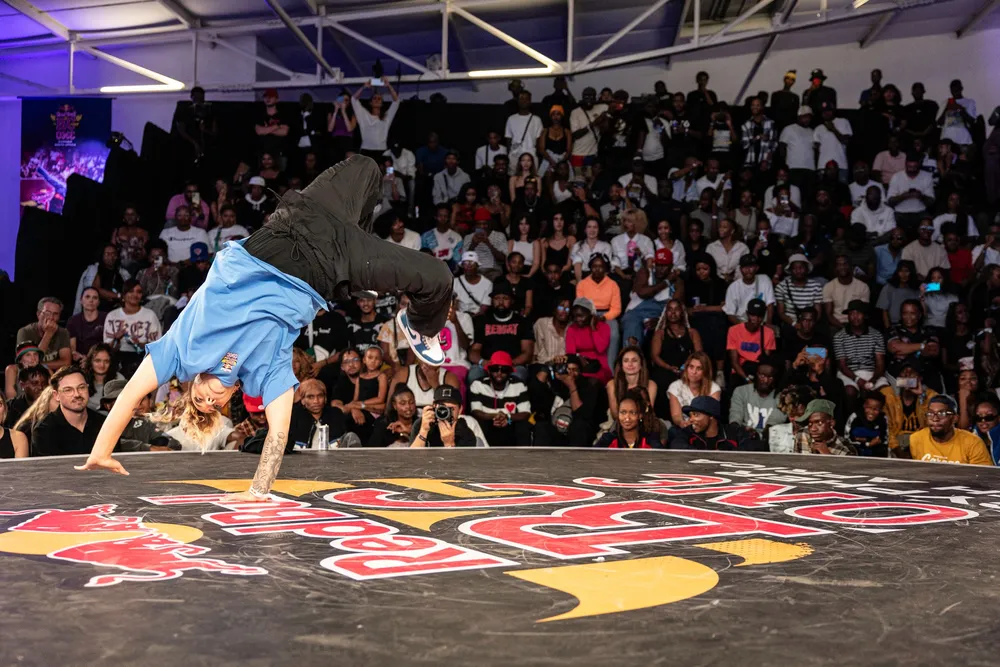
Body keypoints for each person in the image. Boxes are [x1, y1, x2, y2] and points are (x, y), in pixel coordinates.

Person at [77, 156, 453, 502]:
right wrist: (258, 490)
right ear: (231, 399)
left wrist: (101, 451)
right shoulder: (265, 372)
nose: (210, 398)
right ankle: (418, 321)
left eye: (201, 398)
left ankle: (362, 235)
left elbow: (128, 396)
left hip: (297, 223)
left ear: (192, 384)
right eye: (214, 404)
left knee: (368, 167)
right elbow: (277, 435)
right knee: (438, 277)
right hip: (330, 265)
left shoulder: (182, 349)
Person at [32, 366, 105, 457]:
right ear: (56, 395)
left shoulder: (104, 424)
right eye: (68, 390)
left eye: (81, 388)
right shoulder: (44, 431)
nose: (77, 394)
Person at [469, 352, 532, 447]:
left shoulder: (519, 385)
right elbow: (476, 412)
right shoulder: (478, 384)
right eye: (495, 369)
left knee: (523, 426)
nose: (499, 373)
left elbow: (526, 413)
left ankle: (522, 458)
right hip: (487, 423)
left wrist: (507, 417)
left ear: (509, 372)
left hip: (510, 423)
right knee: (478, 422)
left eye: (504, 370)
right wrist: (496, 416)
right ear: (489, 371)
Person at [622, 247, 680, 347]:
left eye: (664, 265)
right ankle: (631, 359)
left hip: (660, 317)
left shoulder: (677, 282)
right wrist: (665, 283)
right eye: (658, 265)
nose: (660, 269)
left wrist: (660, 320)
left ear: (671, 266)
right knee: (632, 335)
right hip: (636, 314)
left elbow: (678, 308)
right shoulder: (645, 272)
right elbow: (643, 293)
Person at [909, 395, 992, 464]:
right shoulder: (916, 439)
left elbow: (983, 477)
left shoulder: (973, 443)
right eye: (930, 413)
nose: (935, 418)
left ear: (955, 418)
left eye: (942, 413)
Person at [833, 300, 888, 404]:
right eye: (851, 313)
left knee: (886, 391)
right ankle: (852, 418)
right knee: (850, 392)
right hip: (849, 373)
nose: (855, 316)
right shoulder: (839, 336)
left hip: (872, 372)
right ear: (848, 317)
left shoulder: (876, 335)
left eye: (858, 313)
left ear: (865, 316)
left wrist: (872, 380)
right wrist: (858, 380)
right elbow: (842, 366)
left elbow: (880, 364)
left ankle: (884, 420)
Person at [880, 361, 937, 454]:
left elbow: (933, 423)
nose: (907, 375)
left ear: (919, 378)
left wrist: (921, 396)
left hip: (922, 441)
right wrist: (896, 448)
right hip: (896, 441)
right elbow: (886, 426)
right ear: (898, 379)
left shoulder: (930, 396)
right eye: (904, 373)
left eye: (912, 373)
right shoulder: (887, 395)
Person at [669, 396, 761, 451]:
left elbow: (752, 448)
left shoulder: (733, 432)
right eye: (690, 415)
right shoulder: (688, 432)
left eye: (696, 415)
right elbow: (676, 445)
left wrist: (722, 457)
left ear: (711, 416)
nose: (691, 419)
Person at [410, 384, 480, 448]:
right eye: (442, 407)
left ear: (460, 409)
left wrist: (449, 443)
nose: (445, 412)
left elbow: (460, 462)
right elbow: (412, 459)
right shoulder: (421, 425)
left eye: (451, 409)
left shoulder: (466, 434)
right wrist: (423, 431)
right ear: (434, 406)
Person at [729, 357, 785, 434]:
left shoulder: (782, 397)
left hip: (769, 439)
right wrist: (737, 431)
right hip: (743, 437)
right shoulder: (741, 391)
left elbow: (775, 422)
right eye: (762, 376)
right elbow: (735, 415)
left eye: (770, 377)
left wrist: (760, 436)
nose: (765, 380)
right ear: (756, 374)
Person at [727, 298, 776, 385]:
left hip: (758, 370)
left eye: (759, 316)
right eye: (753, 315)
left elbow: (766, 361)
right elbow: (734, 362)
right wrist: (747, 379)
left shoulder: (768, 333)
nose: (756, 319)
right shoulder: (734, 330)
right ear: (747, 314)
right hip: (740, 371)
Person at [667, 352, 721, 428]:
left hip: (705, 427)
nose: (694, 372)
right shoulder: (675, 386)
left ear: (705, 371)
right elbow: (676, 415)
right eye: (691, 367)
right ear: (686, 368)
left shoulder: (714, 388)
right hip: (684, 427)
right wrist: (683, 423)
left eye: (699, 368)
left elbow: (710, 415)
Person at [565, 297, 612, 384]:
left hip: (599, 366)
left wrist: (593, 329)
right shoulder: (572, 329)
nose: (577, 319)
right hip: (579, 366)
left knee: (592, 382)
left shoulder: (603, 327)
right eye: (575, 316)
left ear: (590, 314)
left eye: (581, 316)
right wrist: (578, 357)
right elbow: (570, 352)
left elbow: (601, 348)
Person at [17, 297, 72, 372]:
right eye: (47, 313)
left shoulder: (63, 333)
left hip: (54, 376)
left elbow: (66, 362)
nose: (51, 317)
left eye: (55, 314)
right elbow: (29, 362)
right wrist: (48, 334)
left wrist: (41, 365)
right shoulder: (24, 332)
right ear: (38, 314)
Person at [351, 77, 399, 160]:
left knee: (388, 172)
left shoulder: (386, 117)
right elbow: (353, 99)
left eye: (379, 99)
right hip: (366, 151)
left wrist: (388, 86)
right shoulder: (364, 116)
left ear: (382, 103)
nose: (377, 100)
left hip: (382, 151)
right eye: (374, 98)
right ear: (370, 102)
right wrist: (364, 87)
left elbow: (396, 101)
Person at [596, 390, 662, 449]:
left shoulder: (650, 440)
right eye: (623, 412)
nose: (627, 418)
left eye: (632, 413)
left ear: (640, 415)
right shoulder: (608, 439)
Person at [724, 254, 775, 324]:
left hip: (762, 322)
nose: (748, 270)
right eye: (745, 267)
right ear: (740, 269)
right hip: (742, 322)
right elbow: (730, 314)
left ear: (757, 268)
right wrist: (744, 329)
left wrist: (768, 324)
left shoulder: (765, 279)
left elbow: (770, 304)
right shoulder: (733, 287)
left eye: (751, 266)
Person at [66, 287, 108, 362]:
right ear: (81, 300)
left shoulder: (106, 318)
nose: (91, 300)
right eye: (87, 297)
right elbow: (72, 347)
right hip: (79, 361)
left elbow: (108, 345)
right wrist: (77, 355)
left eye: (95, 298)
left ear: (98, 302)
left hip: (101, 360)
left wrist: (89, 359)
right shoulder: (73, 320)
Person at [843, 390, 889, 457]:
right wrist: (868, 443)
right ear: (864, 405)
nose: (871, 412)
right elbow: (847, 439)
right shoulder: (855, 417)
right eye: (869, 408)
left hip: (876, 455)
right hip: (855, 454)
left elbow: (884, 440)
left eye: (875, 409)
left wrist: (862, 439)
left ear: (880, 409)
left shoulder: (883, 419)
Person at [970, 396, 1000, 465]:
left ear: (998, 418)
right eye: (978, 417)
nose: (983, 421)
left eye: (989, 417)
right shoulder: (971, 438)